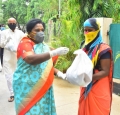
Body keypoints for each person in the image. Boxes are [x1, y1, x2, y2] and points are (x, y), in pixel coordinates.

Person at [13, 19, 69, 115]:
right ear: (29, 32)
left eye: (42, 30)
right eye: (37, 30)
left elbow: (47, 65)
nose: (41, 33)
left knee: (42, 110)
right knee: (30, 111)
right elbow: (31, 59)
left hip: (42, 85)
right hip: (26, 86)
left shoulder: (43, 46)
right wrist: (54, 53)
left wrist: (60, 74)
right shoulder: (25, 43)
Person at [77, 18, 113, 115]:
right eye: (85, 30)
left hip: (98, 86)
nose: (87, 32)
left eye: (90, 30)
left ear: (97, 30)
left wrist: (88, 77)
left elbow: (105, 71)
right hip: (85, 85)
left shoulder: (103, 49)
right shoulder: (84, 47)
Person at [0, 17, 25, 102]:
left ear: (16, 23)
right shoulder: (3, 33)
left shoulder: (20, 33)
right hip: (7, 58)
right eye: (10, 23)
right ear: (7, 24)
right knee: (8, 76)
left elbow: (25, 42)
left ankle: (19, 92)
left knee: (19, 75)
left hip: (18, 57)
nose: (12, 24)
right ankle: (12, 94)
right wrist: (6, 41)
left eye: (13, 22)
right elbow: (1, 45)